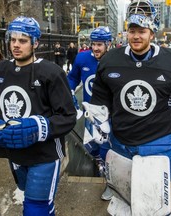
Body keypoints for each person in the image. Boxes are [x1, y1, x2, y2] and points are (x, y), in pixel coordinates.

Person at [86, 0, 171, 187]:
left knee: (154, 202)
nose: (136, 36)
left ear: (152, 33)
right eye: (132, 30)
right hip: (121, 141)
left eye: (141, 31)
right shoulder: (110, 60)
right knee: (123, 198)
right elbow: (101, 98)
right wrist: (98, 122)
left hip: (159, 141)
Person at [0, 16, 76, 216]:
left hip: (44, 154)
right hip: (13, 153)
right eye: (13, 40)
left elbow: (67, 116)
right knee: (27, 196)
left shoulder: (52, 72)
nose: (16, 45)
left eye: (22, 41)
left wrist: (38, 126)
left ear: (35, 43)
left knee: (36, 209)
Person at [67, 26, 113, 200]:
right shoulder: (82, 58)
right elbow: (72, 78)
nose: (95, 48)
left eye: (100, 44)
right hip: (91, 113)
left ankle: (111, 184)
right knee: (91, 146)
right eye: (93, 44)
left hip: (111, 113)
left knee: (107, 149)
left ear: (108, 44)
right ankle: (101, 164)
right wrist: (68, 91)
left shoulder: (116, 59)